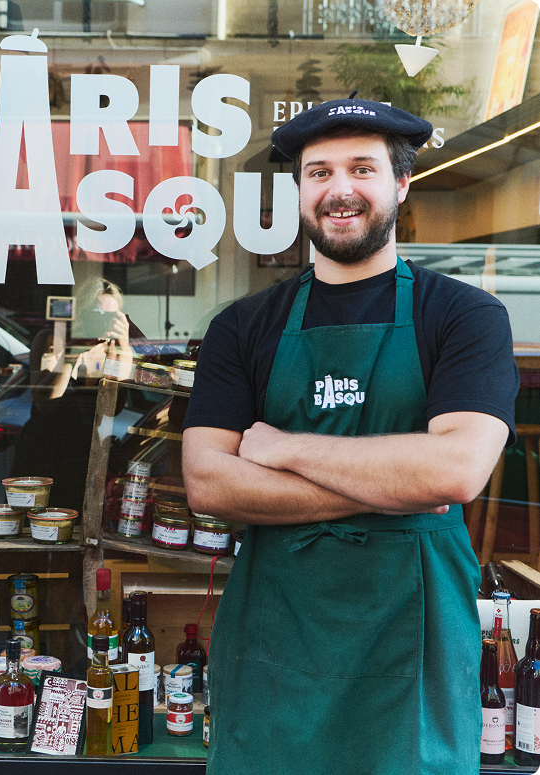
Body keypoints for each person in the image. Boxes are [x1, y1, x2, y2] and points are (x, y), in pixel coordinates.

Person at [182, 96, 519, 774]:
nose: (338, 190)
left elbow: (452, 472)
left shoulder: (464, 316)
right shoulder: (242, 326)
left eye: (360, 169)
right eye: (317, 172)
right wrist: (393, 484)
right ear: (300, 190)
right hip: (276, 635)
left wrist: (286, 449)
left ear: (400, 183)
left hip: (409, 636)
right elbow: (208, 482)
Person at [10, 279, 143, 512]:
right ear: (79, 312)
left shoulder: (114, 349)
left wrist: (123, 347)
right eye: (96, 313)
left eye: (110, 316)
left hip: (85, 458)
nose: (101, 321)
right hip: (42, 451)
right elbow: (45, 403)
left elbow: (114, 407)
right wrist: (73, 351)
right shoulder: (53, 339)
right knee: (28, 529)